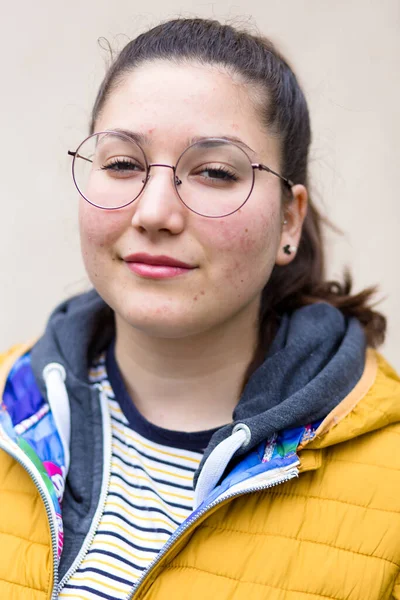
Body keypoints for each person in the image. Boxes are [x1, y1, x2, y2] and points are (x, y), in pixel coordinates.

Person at [1, 16, 399, 600]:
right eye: (122, 164)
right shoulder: (13, 410)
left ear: (289, 220)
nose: (155, 211)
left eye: (214, 172)